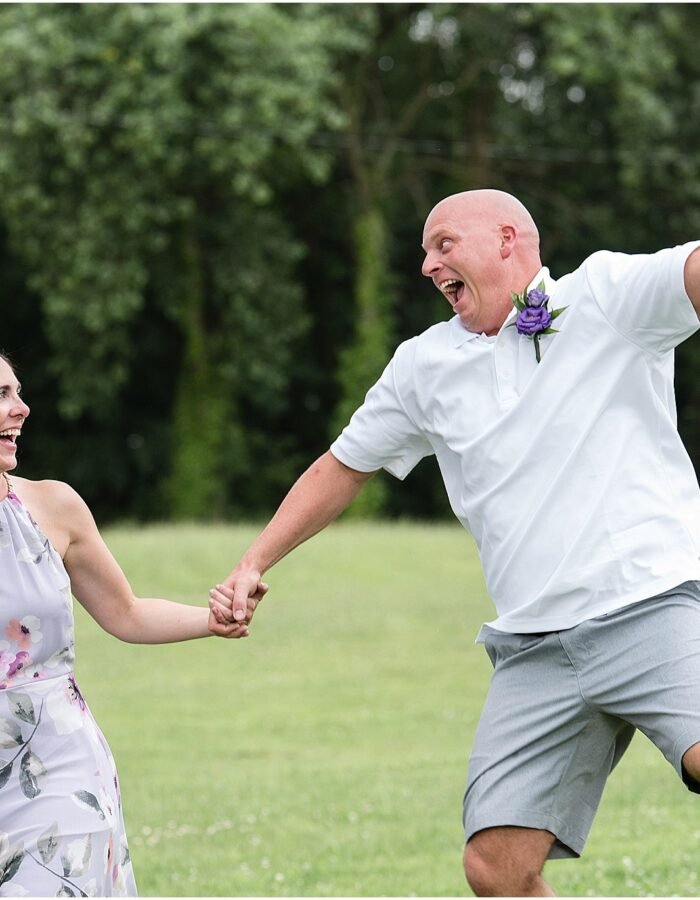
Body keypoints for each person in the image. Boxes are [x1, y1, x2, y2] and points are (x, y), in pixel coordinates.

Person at [208, 189, 700, 896]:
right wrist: (253, 560)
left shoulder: (603, 296)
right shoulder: (422, 365)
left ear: (507, 240)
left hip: (652, 606)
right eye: (423, 252)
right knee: (495, 866)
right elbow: (343, 467)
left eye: (443, 244)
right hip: (534, 649)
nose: (427, 264)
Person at [0, 352, 265, 896]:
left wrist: (210, 620)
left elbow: (126, 611)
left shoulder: (54, 507)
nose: (21, 408)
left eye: (17, 392)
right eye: (1, 396)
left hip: (56, 770)